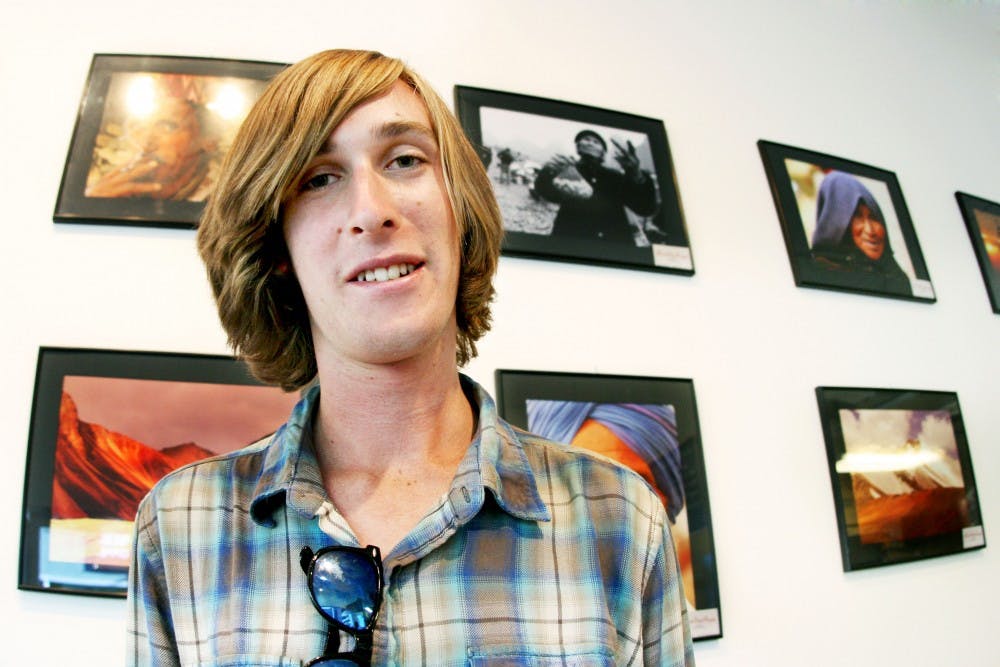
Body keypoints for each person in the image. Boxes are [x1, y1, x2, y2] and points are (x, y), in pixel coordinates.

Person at [127, 49, 694, 666]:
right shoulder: (182, 525)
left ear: (459, 209)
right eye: (318, 178)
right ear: (277, 244)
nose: (373, 210)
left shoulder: (620, 518)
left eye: (405, 160)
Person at [532, 128, 658, 243]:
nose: (590, 143)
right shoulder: (567, 170)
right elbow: (546, 193)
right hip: (571, 239)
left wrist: (636, 173)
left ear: (603, 152)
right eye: (586, 139)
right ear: (578, 147)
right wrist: (549, 171)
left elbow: (645, 208)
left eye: (596, 142)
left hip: (612, 244)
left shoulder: (615, 177)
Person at [810, 170, 913, 295]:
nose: (870, 230)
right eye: (857, 216)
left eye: (874, 217)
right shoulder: (820, 273)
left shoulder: (894, 274)